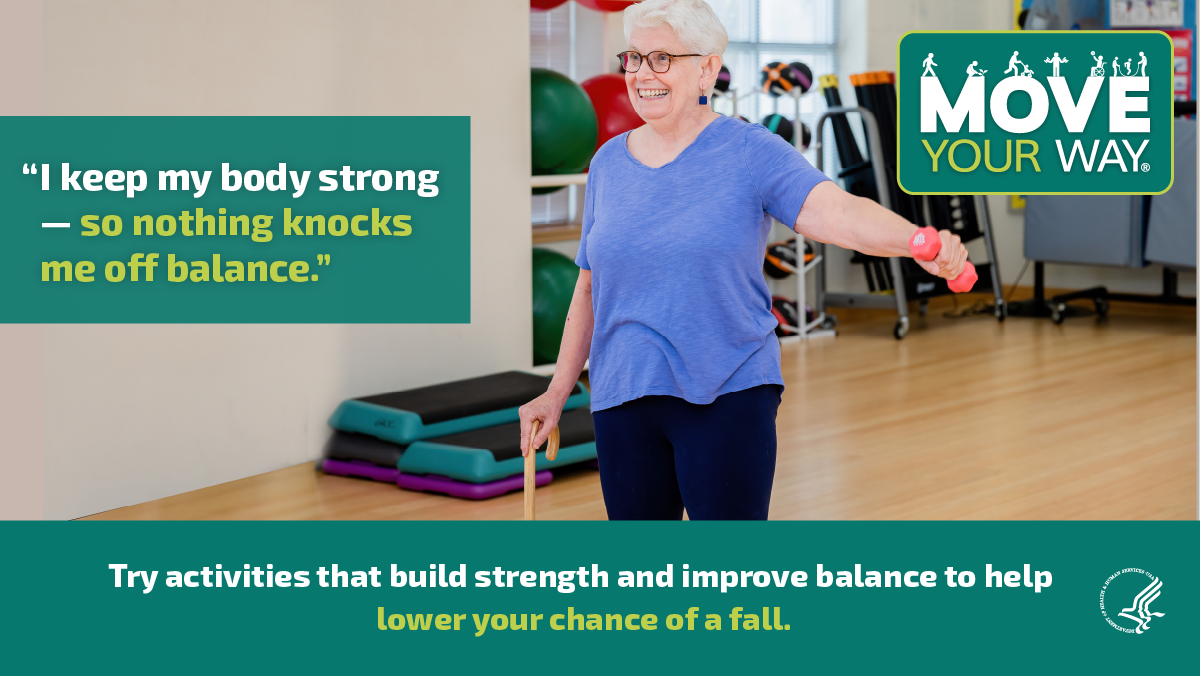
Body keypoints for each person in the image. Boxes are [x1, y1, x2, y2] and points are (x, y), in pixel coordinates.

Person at [517, 0, 968, 521]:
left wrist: (920, 243)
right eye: (634, 58)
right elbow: (589, 288)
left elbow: (838, 213)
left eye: (662, 58)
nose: (643, 74)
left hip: (727, 389)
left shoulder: (750, 151)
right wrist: (556, 392)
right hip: (623, 395)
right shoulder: (607, 163)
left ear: (707, 66)